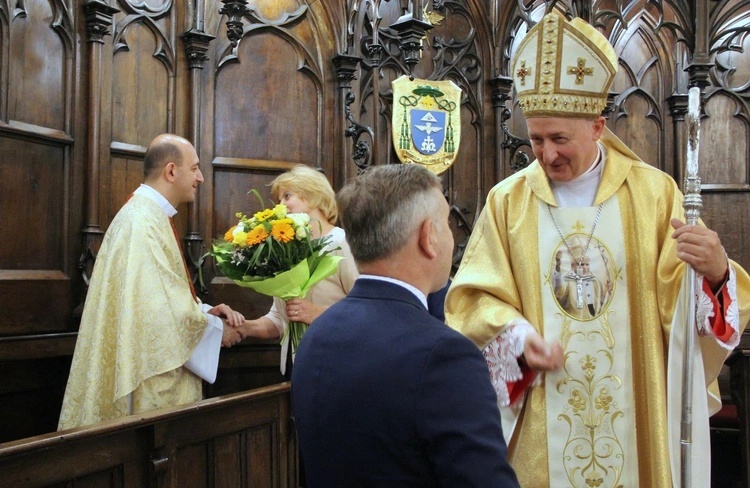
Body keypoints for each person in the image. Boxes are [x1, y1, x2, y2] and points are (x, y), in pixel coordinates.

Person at [445, 12, 750, 488]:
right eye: (537, 139)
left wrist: (713, 274)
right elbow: (471, 301)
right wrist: (519, 339)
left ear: (598, 126)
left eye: (560, 139)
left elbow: (683, 315)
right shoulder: (508, 201)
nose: (547, 155)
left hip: (637, 412)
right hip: (545, 411)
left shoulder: (653, 195)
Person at [292, 164, 520, 487]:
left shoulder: (317, 334)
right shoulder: (445, 355)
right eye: (446, 222)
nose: (451, 235)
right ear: (429, 237)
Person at [58, 134, 245, 430]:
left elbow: (158, 296)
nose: (201, 178)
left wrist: (205, 312)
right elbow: (158, 316)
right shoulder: (142, 223)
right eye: (195, 168)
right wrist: (216, 331)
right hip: (147, 385)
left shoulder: (147, 216)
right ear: (171, 171)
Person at [240, 165, 358, 376]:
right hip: (296, 368)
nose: (281, 206)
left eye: (287, 196)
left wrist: (318, 314)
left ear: (313, 196)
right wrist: (244, 328)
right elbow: (279, 318)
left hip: (336, 367)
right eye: (279, 200)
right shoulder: (286, 248)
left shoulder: (342, 243)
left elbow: (368, 310)